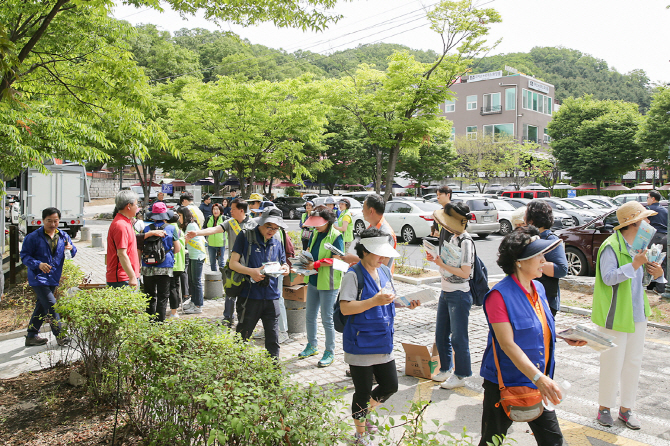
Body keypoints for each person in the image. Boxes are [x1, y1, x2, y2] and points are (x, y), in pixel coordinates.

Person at [479, 226, 586, 446]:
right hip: (506, 383)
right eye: (538, 255)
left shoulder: (538, 287)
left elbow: (537, 324)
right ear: (519, 261)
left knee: (554, 441)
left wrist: (563, 335)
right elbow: (507, 344)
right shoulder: (498, 296)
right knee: (492, 441)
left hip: (539, 379)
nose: (543, 260)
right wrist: (539, 378)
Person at [339, 228, 420, 445]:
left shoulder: (384, 271)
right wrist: (374, 301)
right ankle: (360, 434)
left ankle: (365, 413)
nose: (383, 258)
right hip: (360, 342)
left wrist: (405, 303)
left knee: (390, 385)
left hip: (383, 340)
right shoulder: (352, 275)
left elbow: (389, 299)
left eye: (385, 254)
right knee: (362, 391)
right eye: (378, 254)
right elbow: (346, 308)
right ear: (364, 251)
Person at [592, 201, 665, 430]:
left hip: (637, 313)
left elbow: (642, 282)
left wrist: (658, 275)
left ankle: (627, 409)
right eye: (646, 219)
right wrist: (634, 265)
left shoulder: (639, 245)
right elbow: (608, 277)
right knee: (611, 362)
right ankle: (604, 408)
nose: (650, 223)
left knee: (633, 363)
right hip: (614, 315)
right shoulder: (610, 246)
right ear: (633, 223)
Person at [229, 207, 290, 359]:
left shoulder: (277, 239)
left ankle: (273, 373)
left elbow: (283, 262)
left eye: (276, 228)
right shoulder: (245, 236)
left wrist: (285, 268)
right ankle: (237, 370)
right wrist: (251, 271)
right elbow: (233, 264)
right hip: (249, 296)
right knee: (242, 336)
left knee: (273, 339)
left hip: (272, 296)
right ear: (261, 222)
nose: (272, 231)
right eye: (269, 227)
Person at [426, 202, 475, 389]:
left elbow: (465, 272)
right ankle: (446, 368)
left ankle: (461, 374)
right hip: (446, 291)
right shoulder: (454, 237)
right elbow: (448, 262)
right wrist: (436, 259)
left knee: (458, 337)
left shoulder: (466, 241)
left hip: (459, 294)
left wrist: (440, 262)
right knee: (441, 334)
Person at [187, 198, 257, 326]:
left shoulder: (253, 224)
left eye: (233, 209)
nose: (230, 211)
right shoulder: (230, 223)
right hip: (233, 265)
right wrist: (197, 233)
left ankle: (244, 320)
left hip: (249, 266)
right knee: (230, 292)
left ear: (241, 210)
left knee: (246, 295)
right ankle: (227, 318)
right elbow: (214, 230)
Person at [21, 207, 76, 347]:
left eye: (55, 221)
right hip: (38, 278)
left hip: (53, 277)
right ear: (43, 220)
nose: (52, 224)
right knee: (52, 306)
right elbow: (25, 256)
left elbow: (73, 252)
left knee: (41, 306)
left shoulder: (63, 236)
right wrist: (38, 264)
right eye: (49, 221)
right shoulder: (33, 237)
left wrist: (71, 248)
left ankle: (31, 336)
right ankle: (60, 336)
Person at [298, 206, 344, 367]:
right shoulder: (315, 234)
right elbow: (309, 252)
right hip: (313, 281)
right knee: (309, 316)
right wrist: (302, 264)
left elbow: (337, 259)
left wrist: (316, 264)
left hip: (328, 283)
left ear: (328, 221)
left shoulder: (336, 236)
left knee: (327, 319)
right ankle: (312, 345)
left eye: (319, 223)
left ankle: (330, 351)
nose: (316, 226)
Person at [525, 200, 568, 317]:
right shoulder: (528, 237)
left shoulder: (551, 240)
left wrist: (532, 263)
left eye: (526, 215)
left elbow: (562, 269)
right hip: (528, 296)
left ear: (532, 219)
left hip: (545, 300)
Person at [141, 202, 180, 322]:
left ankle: (150, 321)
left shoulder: (147, 229)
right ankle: (160, 322)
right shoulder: (172, 228)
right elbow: (177, 249)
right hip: (165, 265)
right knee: (163, 296)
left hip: (147, 266)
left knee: (149, 295)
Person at [342, 194, 397, 272]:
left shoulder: (385, 233)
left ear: (371, 211)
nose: (362, 211)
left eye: (363, 208)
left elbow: (382, 265)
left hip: (378, 281)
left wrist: (354, 259)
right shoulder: (372, 227)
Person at [107, 190, 140, 288]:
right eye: (136, 204)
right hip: (123, 279)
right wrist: (132, 276)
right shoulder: (120, 225)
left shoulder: (126, 222)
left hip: (128, 277)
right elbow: (121, 253)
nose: (137, 207)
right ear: (128, 206)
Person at [178, 206, 207, 314]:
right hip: (192, 255)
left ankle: (198, 305)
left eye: (180, 215)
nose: (179, 218)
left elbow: (184, 241)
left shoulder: (191, 225)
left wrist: (176, 246)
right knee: (192, 281)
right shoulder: (188, 225)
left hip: (197, 256)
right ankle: (193, 302)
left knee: (196, 281)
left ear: (185, 216)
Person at [646, 190, 667, 293]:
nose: (647, 200)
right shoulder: (665, 210)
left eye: (647, 198)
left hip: (654, 237)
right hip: (666, 237)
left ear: (653, 198)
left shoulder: (649, 209)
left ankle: (649, 285)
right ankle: (662, 287)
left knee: (650, 261)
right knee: (663, 263)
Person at [167, 212, 186, 318]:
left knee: (172, 288)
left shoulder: (170, 230)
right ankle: (177, 307)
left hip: (172, 264)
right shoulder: (179, 230)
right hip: (180, 264)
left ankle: (174, 311)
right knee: (176, 287)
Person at [205, 203, 227, 272]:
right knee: (212, 262)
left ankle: (222, 277)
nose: (215, 211)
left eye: (217, 209)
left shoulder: (224, 218)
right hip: (210, 244)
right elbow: (205, 229)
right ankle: (214, 277)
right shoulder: (209, 218)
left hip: (220, 244)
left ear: (220, 210)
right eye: (214, 209)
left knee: (221, 262)